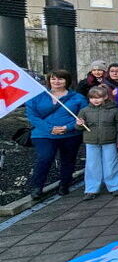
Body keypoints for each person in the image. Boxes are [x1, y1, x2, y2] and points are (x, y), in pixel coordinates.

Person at [26, 69, 88, 200]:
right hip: (43, 134)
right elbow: (32, 116)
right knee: (45, 157)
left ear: (67, 81)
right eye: (53, 79)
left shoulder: (78, 98)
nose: (56, 81)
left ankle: (64, 184)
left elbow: (83, 116)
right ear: (48, 81)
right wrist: (50, 129)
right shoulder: (37, 96)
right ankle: (37, 187)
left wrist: (68, 127)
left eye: (60, 79)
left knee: (68, 160)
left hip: (70, 134)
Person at [77, 87, 118, 200]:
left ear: (105, 97)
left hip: (110, 141)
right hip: (91, 142)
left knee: (111, 163)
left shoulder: (114, 110)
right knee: (92, 165)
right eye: (92, 98)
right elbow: (78, 127)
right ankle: (91, 189)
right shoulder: (84, 111)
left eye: (98, 97)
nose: (95, 100)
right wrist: (80, 124)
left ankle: (115, 186)